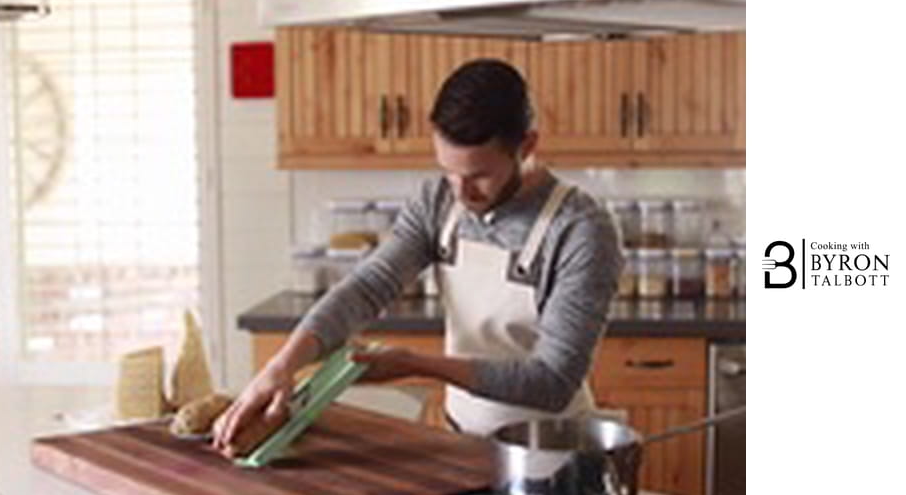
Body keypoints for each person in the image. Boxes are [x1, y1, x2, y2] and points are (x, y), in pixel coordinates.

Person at [212, 58, 623, 447]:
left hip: (550, 452)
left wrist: (414, 364)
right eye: (448, 170)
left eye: (478, 175)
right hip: (461, 440)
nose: (461, 192)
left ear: (527, 146)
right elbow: (369, 286)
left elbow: (551, 382)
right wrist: (284, 364)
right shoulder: (437, 201)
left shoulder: (580, 229)